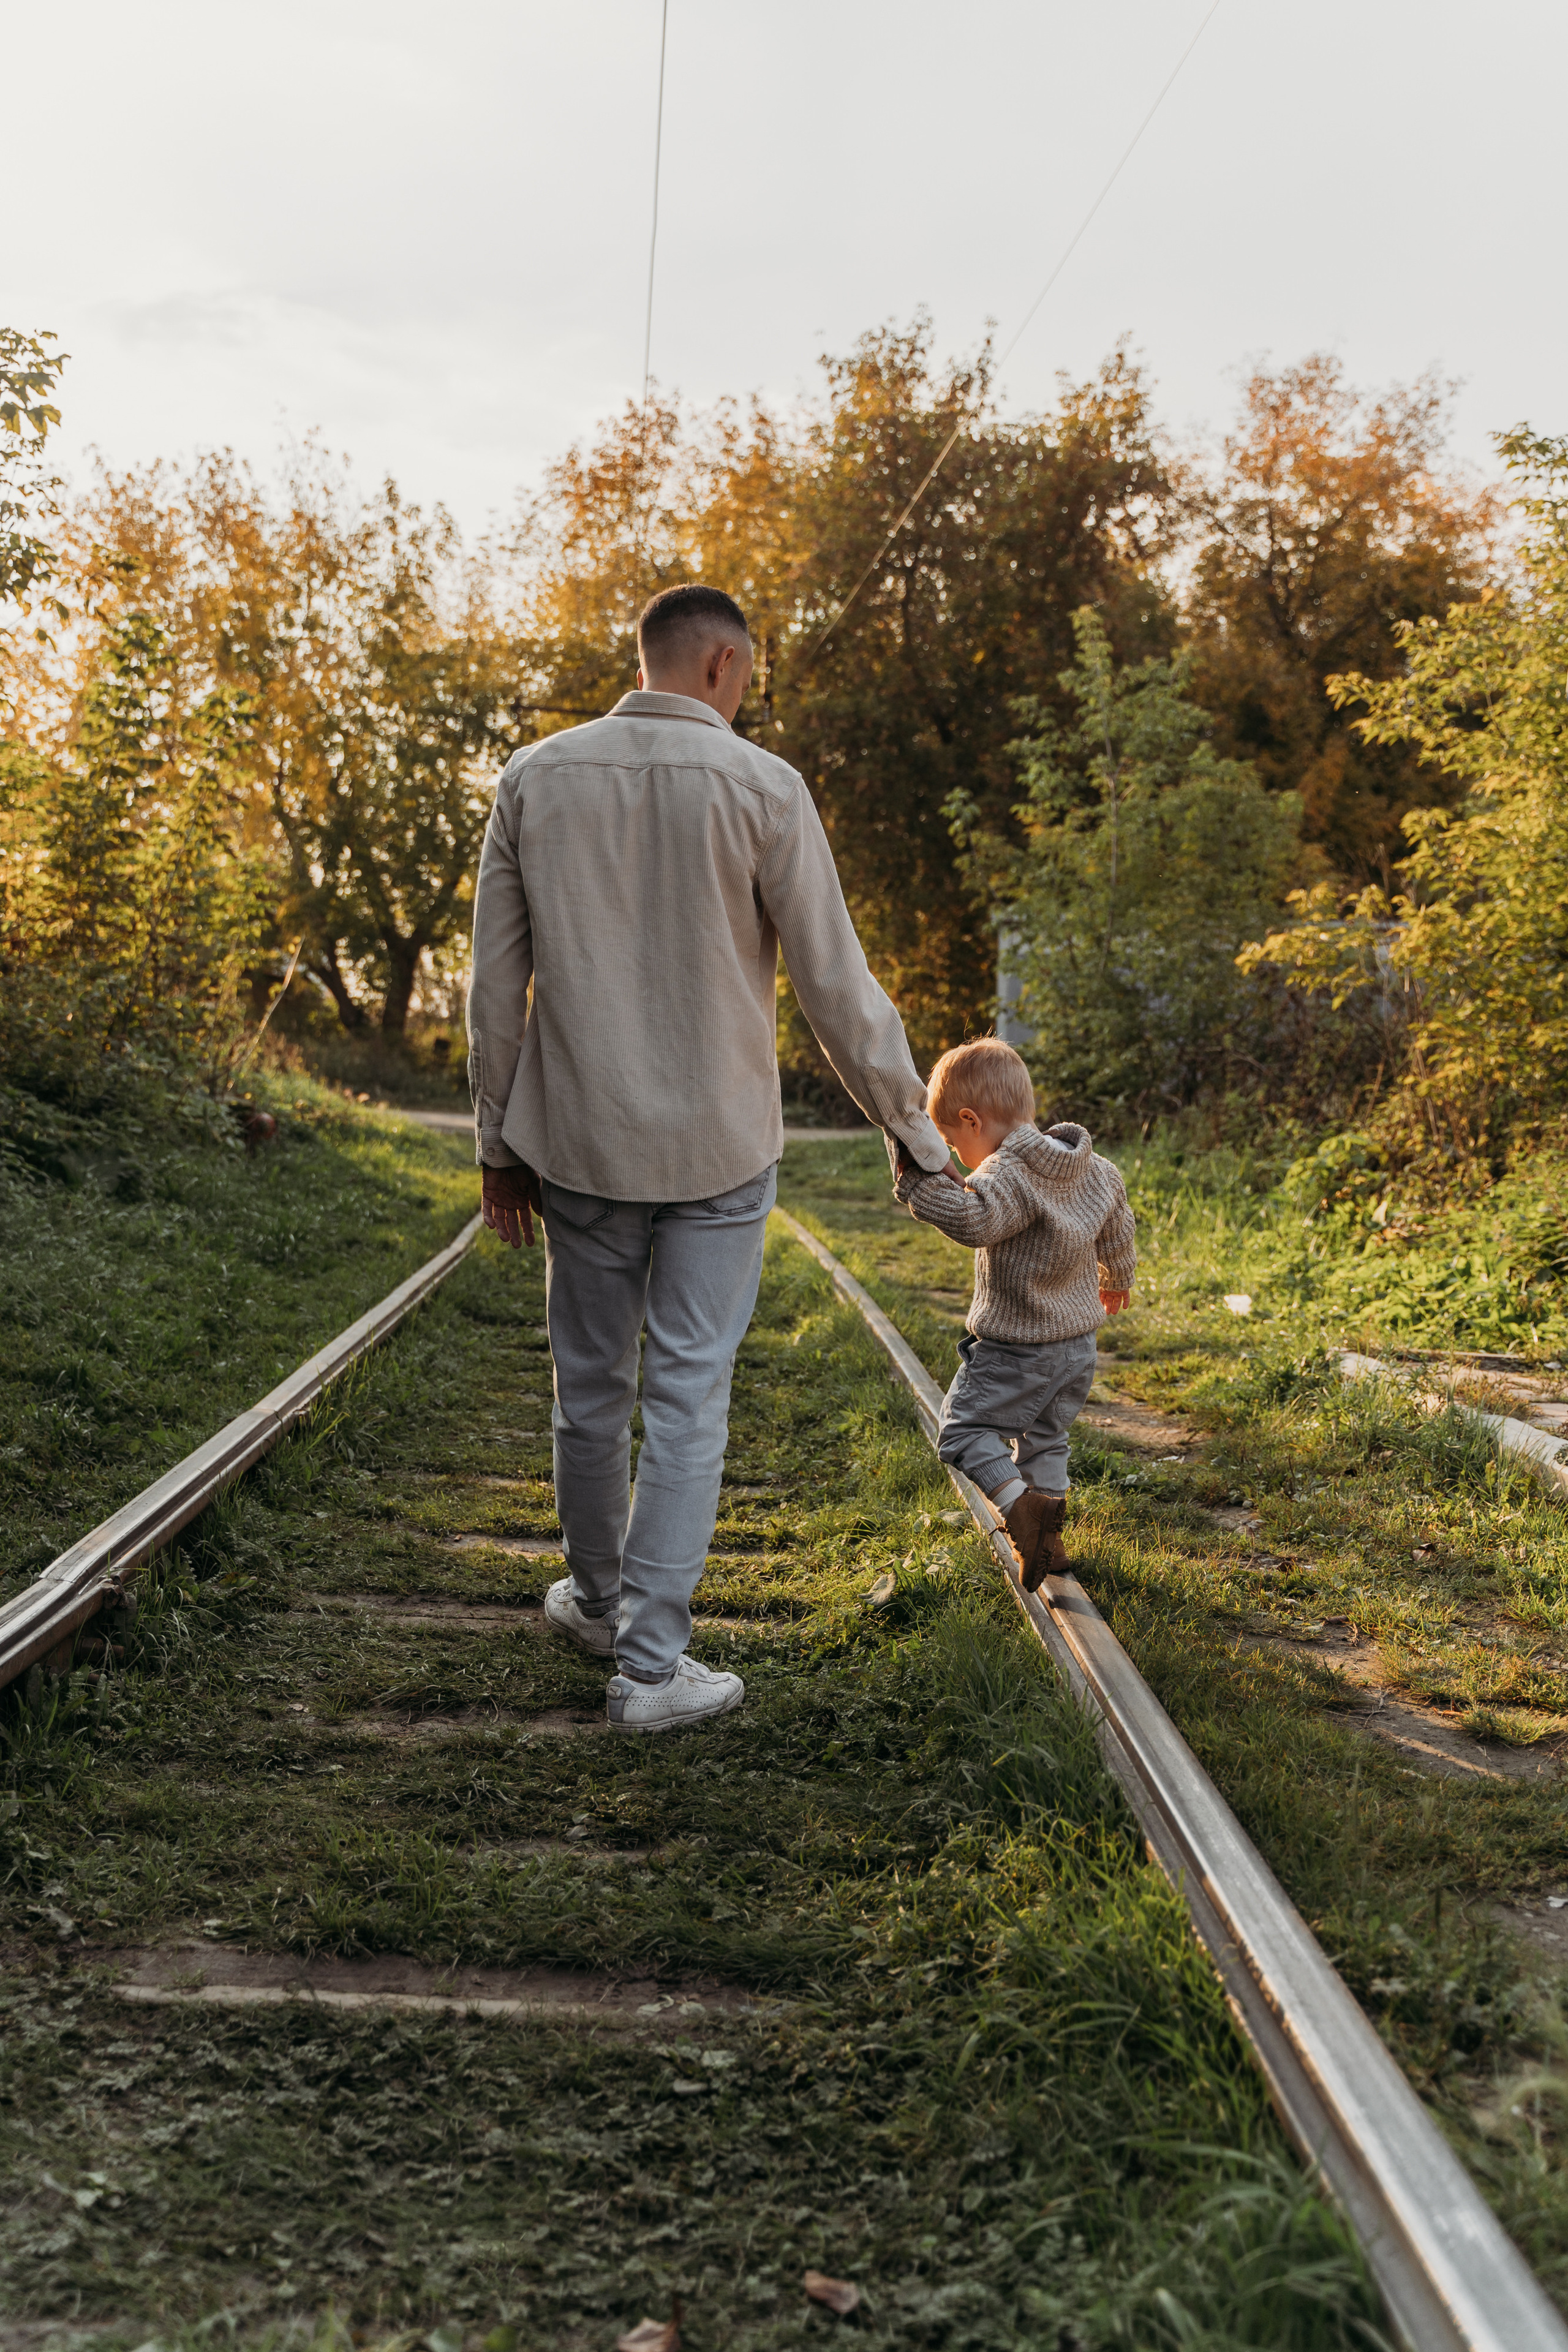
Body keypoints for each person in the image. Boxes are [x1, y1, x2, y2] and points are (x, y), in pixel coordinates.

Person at [466, 583, 951, 1732]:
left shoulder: (536, 776)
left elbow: (493, 983)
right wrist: (914, 1132)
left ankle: (594, 1600)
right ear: (726, 664)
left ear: (653, 659)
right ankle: (649, 1671)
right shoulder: (765, 788)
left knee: (591, 1388)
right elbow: (838, 986)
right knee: (688, 1392)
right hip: (720, 1151)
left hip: (578, 1141)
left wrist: (497, 1140)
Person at [892, 1038, 1137, 1591]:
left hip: (1019, 1348)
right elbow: (1119, 1225)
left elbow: (973, 1220)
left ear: (972, 1121)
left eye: (955, 1143)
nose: (957, 1158)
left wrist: (914, 1183)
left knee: (963, 1432)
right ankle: (1050, 1541)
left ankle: (1022, 1513)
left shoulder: (1008, 1171)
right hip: (1077, 1348)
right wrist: (1117, 1278)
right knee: (1046, 1441)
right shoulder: (1096, 1168)